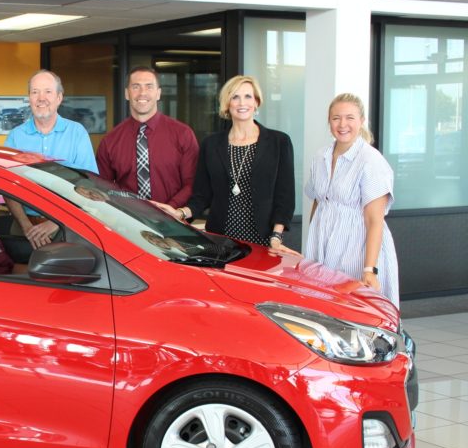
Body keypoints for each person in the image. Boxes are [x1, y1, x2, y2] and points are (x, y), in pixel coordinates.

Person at [162, 75, 295, 250]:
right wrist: (180, 213)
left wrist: (276, 237)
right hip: (220, 240)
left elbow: (285, 197)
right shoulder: (211, 144)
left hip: (264, 240)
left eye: (248, 96)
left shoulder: (279, 142)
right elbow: (202, 195)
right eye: (235, 97)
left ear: (256, 102)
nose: (242, 103)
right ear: (227, 104)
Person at [304, 93, 399, 305]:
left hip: (358, 248)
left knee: (357, 312)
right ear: (329, 121)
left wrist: (370, 269)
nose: (342, 124)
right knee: (323, 308)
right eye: (336, 118)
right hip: (323, 242)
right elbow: (319, 202)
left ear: (362, 121)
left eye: (350, 118)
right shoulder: (321, 156)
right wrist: (312, 243)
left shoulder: (371, 160)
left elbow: (375, 220)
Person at [4, 69, 97, 248]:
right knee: (20, 274)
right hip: (24, 226)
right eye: (35, 92)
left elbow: (88, 186)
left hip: (69, 227)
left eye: (48, 91)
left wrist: (56, 222)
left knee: (67, 275)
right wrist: (26, 226)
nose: (41, 98)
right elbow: (7, 186)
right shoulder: (15, 136)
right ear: (29, 98)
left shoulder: (77, 133)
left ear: (59, 98)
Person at [97, 66, 199, 209]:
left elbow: (192, 183)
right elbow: (103, 189)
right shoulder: (110, 141)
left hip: (174, 220)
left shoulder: (183, 134)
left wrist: (170, 208)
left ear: (158, 93)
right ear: (127, 93)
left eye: (149, 87)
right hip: (128, 222)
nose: (142, 93)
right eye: (136, 87)